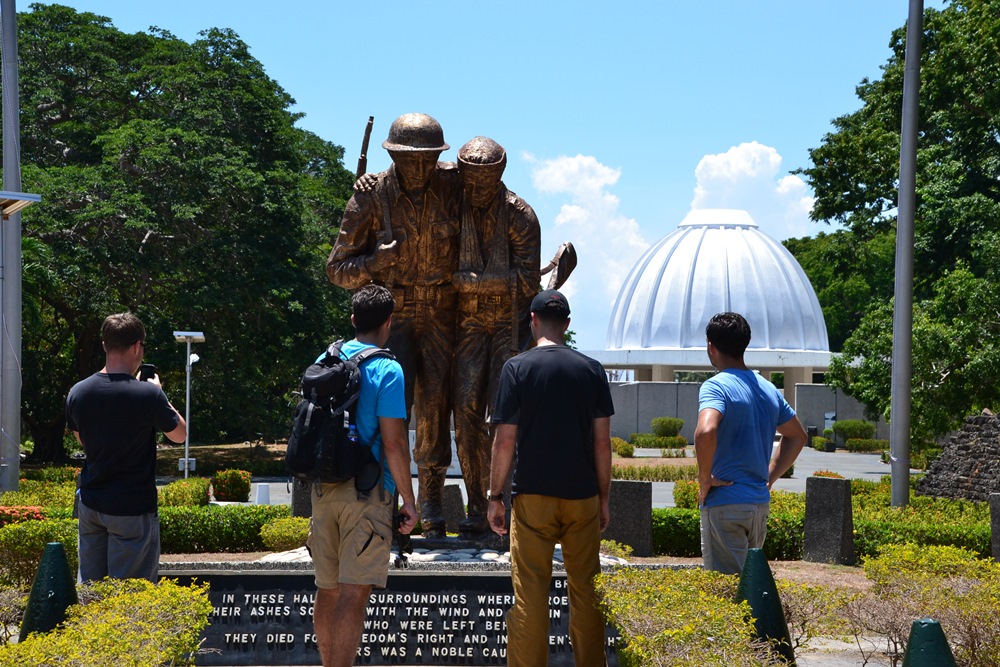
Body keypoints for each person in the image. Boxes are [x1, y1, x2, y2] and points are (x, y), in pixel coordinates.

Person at [327, 112, 460, 538]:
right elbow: (337, 270)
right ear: (393, 156)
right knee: (391, 414)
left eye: (429, 159)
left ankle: (434, 502)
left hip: (441, 313)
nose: (420, 168)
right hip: (392, 317)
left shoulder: (453, 188)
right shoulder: (369, 198)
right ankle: (387, 499)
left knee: (437, 407)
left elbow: (488, 182)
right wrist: (374, 262)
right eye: (410, 159)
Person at [488, 289, 613, 667]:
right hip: (582, 496)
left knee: (530, 595)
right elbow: (602, 442)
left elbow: (504, 439)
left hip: (533, 497)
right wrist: (604, 498)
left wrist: (495, 495)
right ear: (568, 325)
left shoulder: (517, 368)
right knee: (587, 592)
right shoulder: (592, 370)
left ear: (533, 320)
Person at [307, 284, 418, 667]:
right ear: (389, 322)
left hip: (323, 487)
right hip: (367, 493)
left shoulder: (326, 357)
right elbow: (393, 444)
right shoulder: (388, 368)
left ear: (353, 319)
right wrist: (409, 500)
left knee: (327, 589)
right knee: (355, 593)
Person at [452, 136, 540, 536]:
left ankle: (503, 503)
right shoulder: (453, 205)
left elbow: (526, 283)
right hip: (467, 325)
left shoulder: (521, 216)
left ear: (500, 174)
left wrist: (468, 284)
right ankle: (475, 504)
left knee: (502, 418)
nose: (476, 189)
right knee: (465, 412)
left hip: (508, 326)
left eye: (484, 181)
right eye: (469, 180)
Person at [66, 312, 186, 583]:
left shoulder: (78, 392)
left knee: (91, 590)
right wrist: (160, 394)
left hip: (92, 503)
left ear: (104, 345)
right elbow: (179, 434)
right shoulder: (149, 394)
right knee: (131, 595)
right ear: (136, 347)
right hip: (132, 506)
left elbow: (82, 439)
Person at [694, 311, 808, 574]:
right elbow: (798, 435)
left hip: (725, 503)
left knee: (725, 593)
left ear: (711, 347)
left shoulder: (715, 386)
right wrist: (769, 476)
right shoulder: (768, 388)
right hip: (758, 504)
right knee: (750, 588)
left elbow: (705, 430)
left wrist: (704, 479)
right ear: (745, 345)